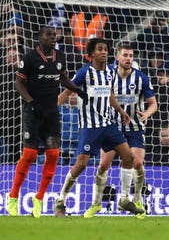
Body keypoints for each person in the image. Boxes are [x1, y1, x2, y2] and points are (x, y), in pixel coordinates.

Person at [54, 38, 143, 218]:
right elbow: (67, 91)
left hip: (109, 124)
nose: (104, 52)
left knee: (128, 157)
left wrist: (120, 111)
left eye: (106, 49)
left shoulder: (110, 72)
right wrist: (51, 109)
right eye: (100, 49)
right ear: (92, 54)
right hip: (90, 126)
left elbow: (109, 94)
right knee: (82, 164)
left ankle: (124, 199)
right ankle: (60, 200)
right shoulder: (84, 73)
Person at [6, 26, 88, 218]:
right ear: (40, 37)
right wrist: (31, 102)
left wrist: (76, 89)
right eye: (48, 35)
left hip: (51, 112)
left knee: (53, 154)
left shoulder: (59, 56)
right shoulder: (29, 58)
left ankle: (39, 198)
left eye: (54, 35)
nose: (53, 38)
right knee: (29, 155)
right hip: (33, 112)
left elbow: (63, 78)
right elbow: (18, 82)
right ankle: (13, 196)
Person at [83, 44, 157, 219]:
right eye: (125, 55)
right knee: (103, 165)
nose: (128, 58)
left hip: (134, 127)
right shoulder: (108, 75)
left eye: (131, 55)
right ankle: (96, 204)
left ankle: (137, 200)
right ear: (117, 57)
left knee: (137, 163)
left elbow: (153, 103)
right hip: (112, 126)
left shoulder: (141, 78)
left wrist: (147, 113)